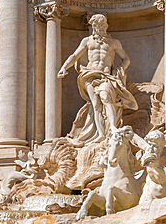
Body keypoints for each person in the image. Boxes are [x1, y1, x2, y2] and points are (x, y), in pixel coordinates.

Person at [58, 14, 137, 144]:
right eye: (97, 25)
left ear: (106, 25)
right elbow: (75, 56)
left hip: (106, 76)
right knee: (95, 104)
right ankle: (101, 134)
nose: (100, 28)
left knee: (106, 98)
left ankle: (112, 128)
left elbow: (126, 59)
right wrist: (64, 67)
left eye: (102, 25)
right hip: (89, 74)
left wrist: (119, 69)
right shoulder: (87, 41)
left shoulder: (113, 42)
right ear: (93, 26)